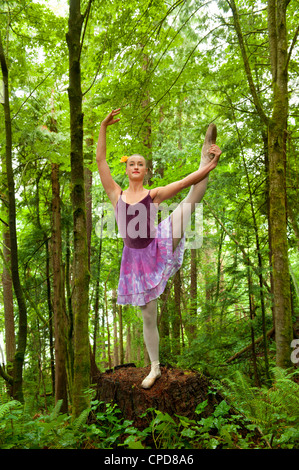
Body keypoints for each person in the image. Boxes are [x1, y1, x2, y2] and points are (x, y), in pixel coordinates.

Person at [96, 108, 222, 389]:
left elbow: (185, 182)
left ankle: (206, 152)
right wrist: (104, 126)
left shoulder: (153, 196)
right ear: (127, 169)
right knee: (149, 316)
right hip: (136, 262)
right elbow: (101, 160)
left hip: (160, 241)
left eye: (141, 164)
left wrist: (208, 166)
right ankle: (155, 368)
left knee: (193, 197)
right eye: (132, 164)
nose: (136, 166)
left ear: (146, 171)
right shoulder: (115, 194)